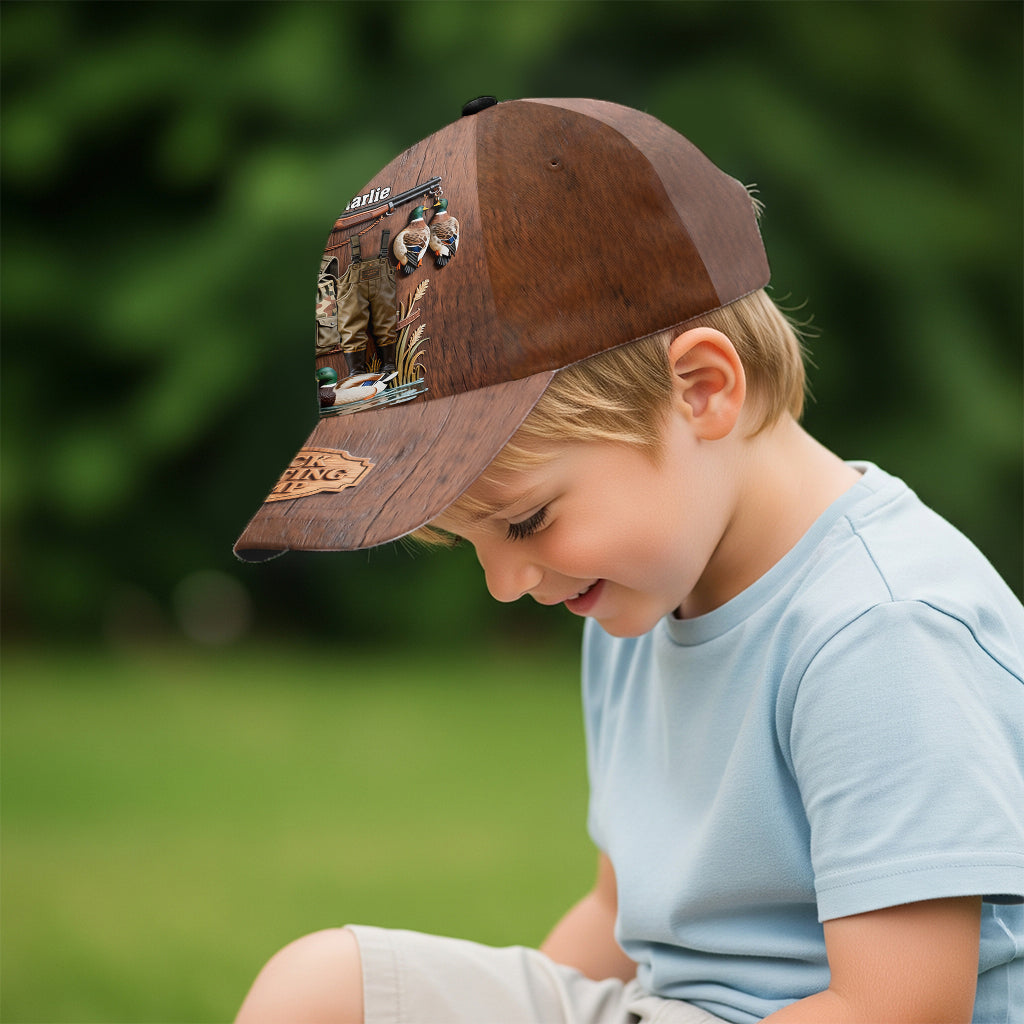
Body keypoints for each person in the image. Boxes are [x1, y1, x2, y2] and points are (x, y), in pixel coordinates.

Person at [233, 98, 1024, 1023]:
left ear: (701, 391)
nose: (504, 583)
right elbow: (620, 918)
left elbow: (899, 1008)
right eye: (472, 542)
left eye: (524, 522)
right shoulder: (634, 595)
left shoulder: (878, 629)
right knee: (322, 990)